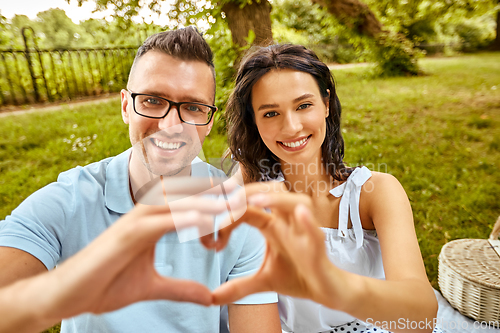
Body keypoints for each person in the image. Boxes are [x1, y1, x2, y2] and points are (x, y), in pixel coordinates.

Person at [0, 27, 281, 333]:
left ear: (209, 120)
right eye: (152, 101)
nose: (170, 125)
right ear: (125, 106)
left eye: (192, 107)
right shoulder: (70, 202)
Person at [206, 44, 441, 333]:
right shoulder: (249, 183)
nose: (291, 127)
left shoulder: (375, 193)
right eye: (270, 114)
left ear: (326, 103)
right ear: (253, 121)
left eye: (304, 105)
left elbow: (420, 318)